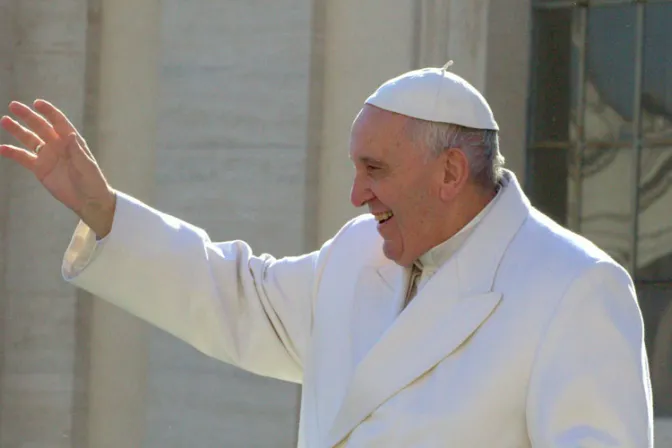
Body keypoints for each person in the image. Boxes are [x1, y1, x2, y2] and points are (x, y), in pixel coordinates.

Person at [0, 64, 653, 447]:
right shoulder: (355, 254)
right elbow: (237, 296)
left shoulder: (575, 288)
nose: (356, 193)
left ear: (450, 172)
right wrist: (104, 210)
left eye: (375, 169)